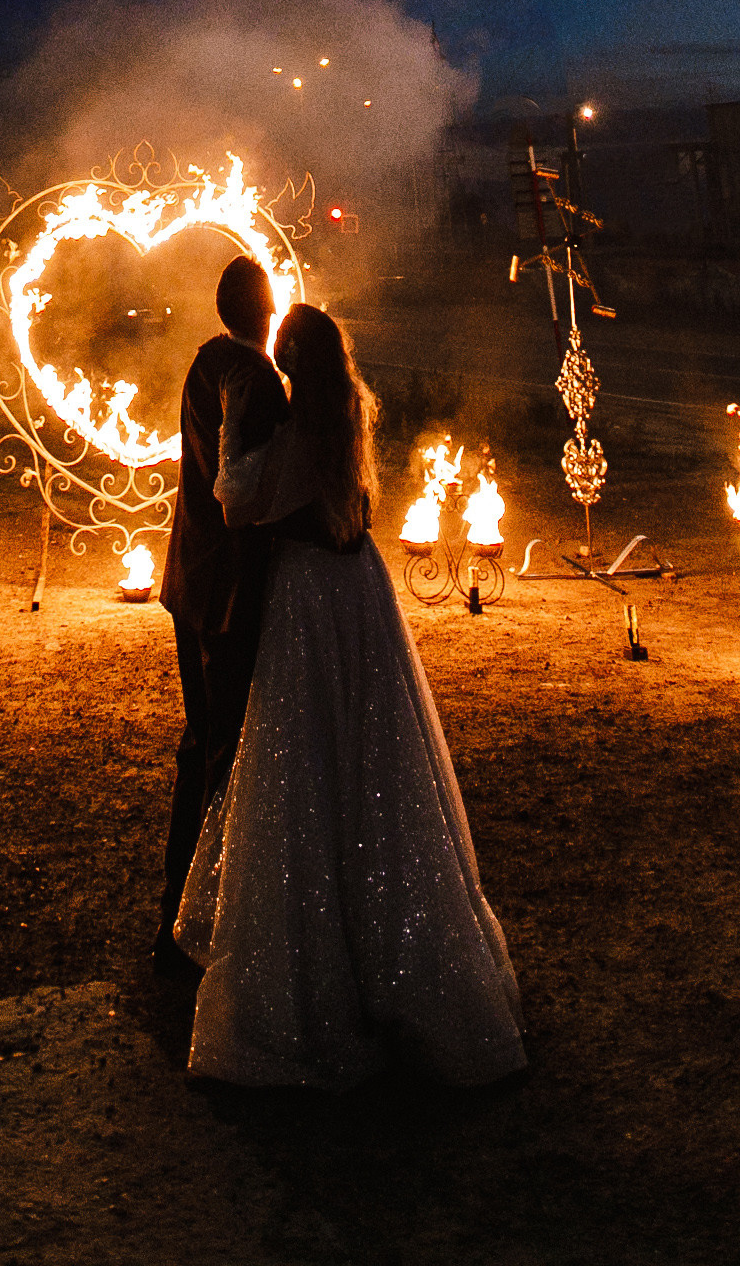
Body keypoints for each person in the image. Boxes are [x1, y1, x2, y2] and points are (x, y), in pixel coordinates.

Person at [174, 303, 527, 1090]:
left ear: (290, 360)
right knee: (373, 747)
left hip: (309, 596)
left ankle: (326, 962)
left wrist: (233, 427)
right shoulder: (347, 419)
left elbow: (236, 500)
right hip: (359, 588)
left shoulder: (296, 437)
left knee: (304, 755)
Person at [154, 252, 288, 976]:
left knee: (200, 741)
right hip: (229, 591)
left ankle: (179, 902)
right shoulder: (253, 378)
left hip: (189, 579)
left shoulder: (204, 362)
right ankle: (194, 924)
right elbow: (244, 492)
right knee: (222, 753)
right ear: (265, 312)